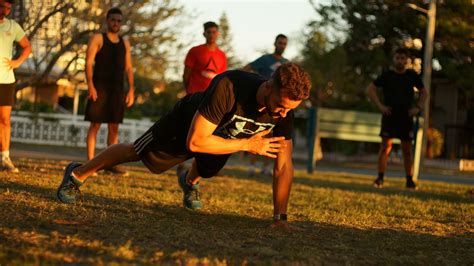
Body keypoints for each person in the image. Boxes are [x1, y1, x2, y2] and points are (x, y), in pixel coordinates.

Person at [56, 63, 312, 229]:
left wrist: (280, 218)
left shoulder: (284, 110)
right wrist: (246, 143)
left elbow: (284, 166)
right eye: (280, 105)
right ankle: (77, 174)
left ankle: (189, 183)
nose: (281, 114)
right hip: (185, 123)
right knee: (136, 151)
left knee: (208, 169)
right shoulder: (229, 86)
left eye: (289, 110)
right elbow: (196, 141)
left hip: (225, 135)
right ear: (268, 86)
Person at [366, 48, 427, 189]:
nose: (400, 60)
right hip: (389, 116)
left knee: (407, 150)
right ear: (394, 59)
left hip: (405, 117)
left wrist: (418, 108)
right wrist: (380, 106)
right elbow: (370, 89)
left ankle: (409, 180)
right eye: (397, 58)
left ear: (407, 60)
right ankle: (380, 178)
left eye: (402, 58)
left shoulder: (412, 76)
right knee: (385, 147)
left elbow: (424, 93)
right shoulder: (387, 75)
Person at [84, 7, 134, 176]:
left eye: (119, 21)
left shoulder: (124, 42)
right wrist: (90, 85)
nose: (116, 23)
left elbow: (128, 68)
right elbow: (88, 62)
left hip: (117, 90)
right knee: (95, 125)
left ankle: (110, 165)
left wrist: (131, 89)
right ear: (107, 20)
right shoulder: (98, 38)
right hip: (99, 89)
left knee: (114, 128)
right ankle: (90, 164)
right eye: (113, 20)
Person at [242, 34, 289, 176]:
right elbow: (246, 68)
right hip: (262, 102)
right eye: (279, 42)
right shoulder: (265, 59)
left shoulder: (286, 64)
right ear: (274, 43)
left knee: (272, 137)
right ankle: (252, 165)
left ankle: (267, 167)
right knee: (257, 134)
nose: (281, 45)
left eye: (284, 43)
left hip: (277, 105)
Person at [0, 0, 31, 173]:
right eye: (1, 6)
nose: (4, 10)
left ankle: (5, 158)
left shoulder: (12, 26)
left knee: (4, 120)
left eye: (8, 8)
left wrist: (17, 62)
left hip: (6, 80)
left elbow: (27, 47)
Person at [183, 21, 227, 94]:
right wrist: (188, 92)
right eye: (209, 32)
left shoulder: (222, 55)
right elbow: (186, 74)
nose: (211, 35)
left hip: (213, 96)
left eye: (214, 32)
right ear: (204, 34)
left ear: (218, 34)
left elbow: (222, 79)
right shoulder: (195, 51)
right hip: (195, 95)